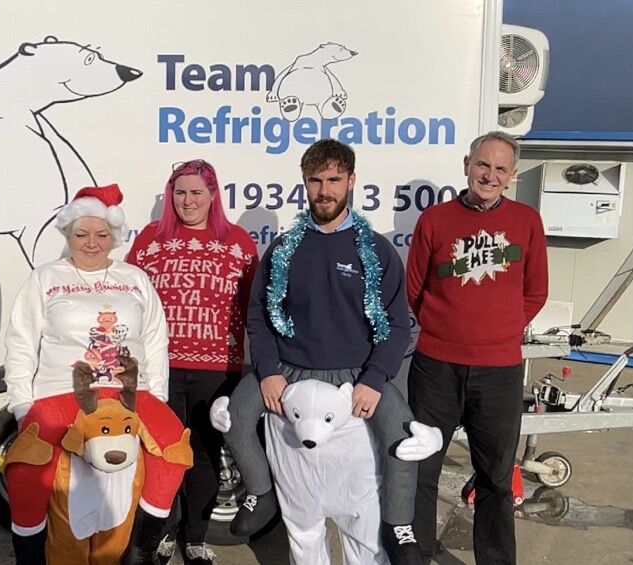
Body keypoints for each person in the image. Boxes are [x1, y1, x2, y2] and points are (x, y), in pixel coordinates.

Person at [224, 138, 431, 565]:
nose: (325, 190)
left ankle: (399, 523)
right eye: (315, 180)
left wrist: (375, 380)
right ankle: (259, 494)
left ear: (351, 181)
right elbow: (259, 317)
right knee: (235, 419)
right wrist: (267, 371)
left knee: (402, 440)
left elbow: (396, 325)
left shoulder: (375, 249)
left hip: (356, 379)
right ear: (304, 183)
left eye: (334, 180)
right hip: (288, 372)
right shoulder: (284, 248)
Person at [2, 184, 191, 565]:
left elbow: (155, 339)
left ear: (115, 237)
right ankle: (31, 557)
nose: (92, 243)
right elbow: (21, 342)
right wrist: (23, 406)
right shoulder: (45, 278)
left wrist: (155, 396)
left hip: (129, 395)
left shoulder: (135, 279)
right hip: (60, 391)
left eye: (102, 234)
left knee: (174, 451)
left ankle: (140, 551)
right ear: (67, 235)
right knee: (25, 471)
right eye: (82, 234)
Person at [406, 131, 549, 565]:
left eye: (500, 168)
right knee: (421, 471)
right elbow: (414, 289)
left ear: (512, 175)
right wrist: (445, 329)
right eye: (482, 164)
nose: (489, 175)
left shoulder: (527, 222)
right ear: (467, 164)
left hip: (499, 370)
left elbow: (535, 292)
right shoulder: (434, 220)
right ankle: (416, 556)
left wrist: (498, 330)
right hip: (436, 368)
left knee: (496, 478)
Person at [126, 159, 260, 564]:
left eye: (196, 192)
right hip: (160, 368)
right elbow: (130, 301)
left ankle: (196, 538)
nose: (188, 201)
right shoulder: (150, 240)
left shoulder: (238, 243)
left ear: (213, 196)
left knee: (203, 453)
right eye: (180, 192)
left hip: (216, 368)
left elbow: (253, 306)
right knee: (163, 453)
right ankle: (165, 534)